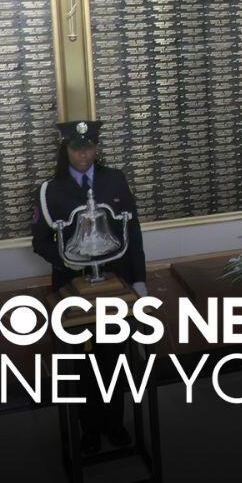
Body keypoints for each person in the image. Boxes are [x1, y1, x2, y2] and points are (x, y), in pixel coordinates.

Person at [31, 119, 147, 455]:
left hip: (115, 283)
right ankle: (89, 429)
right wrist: (71, 260)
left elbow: (132, 232)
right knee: (81, 364)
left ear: (97, 148)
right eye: (76, 149)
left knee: (113, 356)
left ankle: (115, 422)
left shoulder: (115, 179)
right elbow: (40, 242)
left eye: (89, 148)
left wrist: (139, 281)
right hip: (72, 285)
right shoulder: (50, 190)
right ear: (65, 150)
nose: (83, 155)